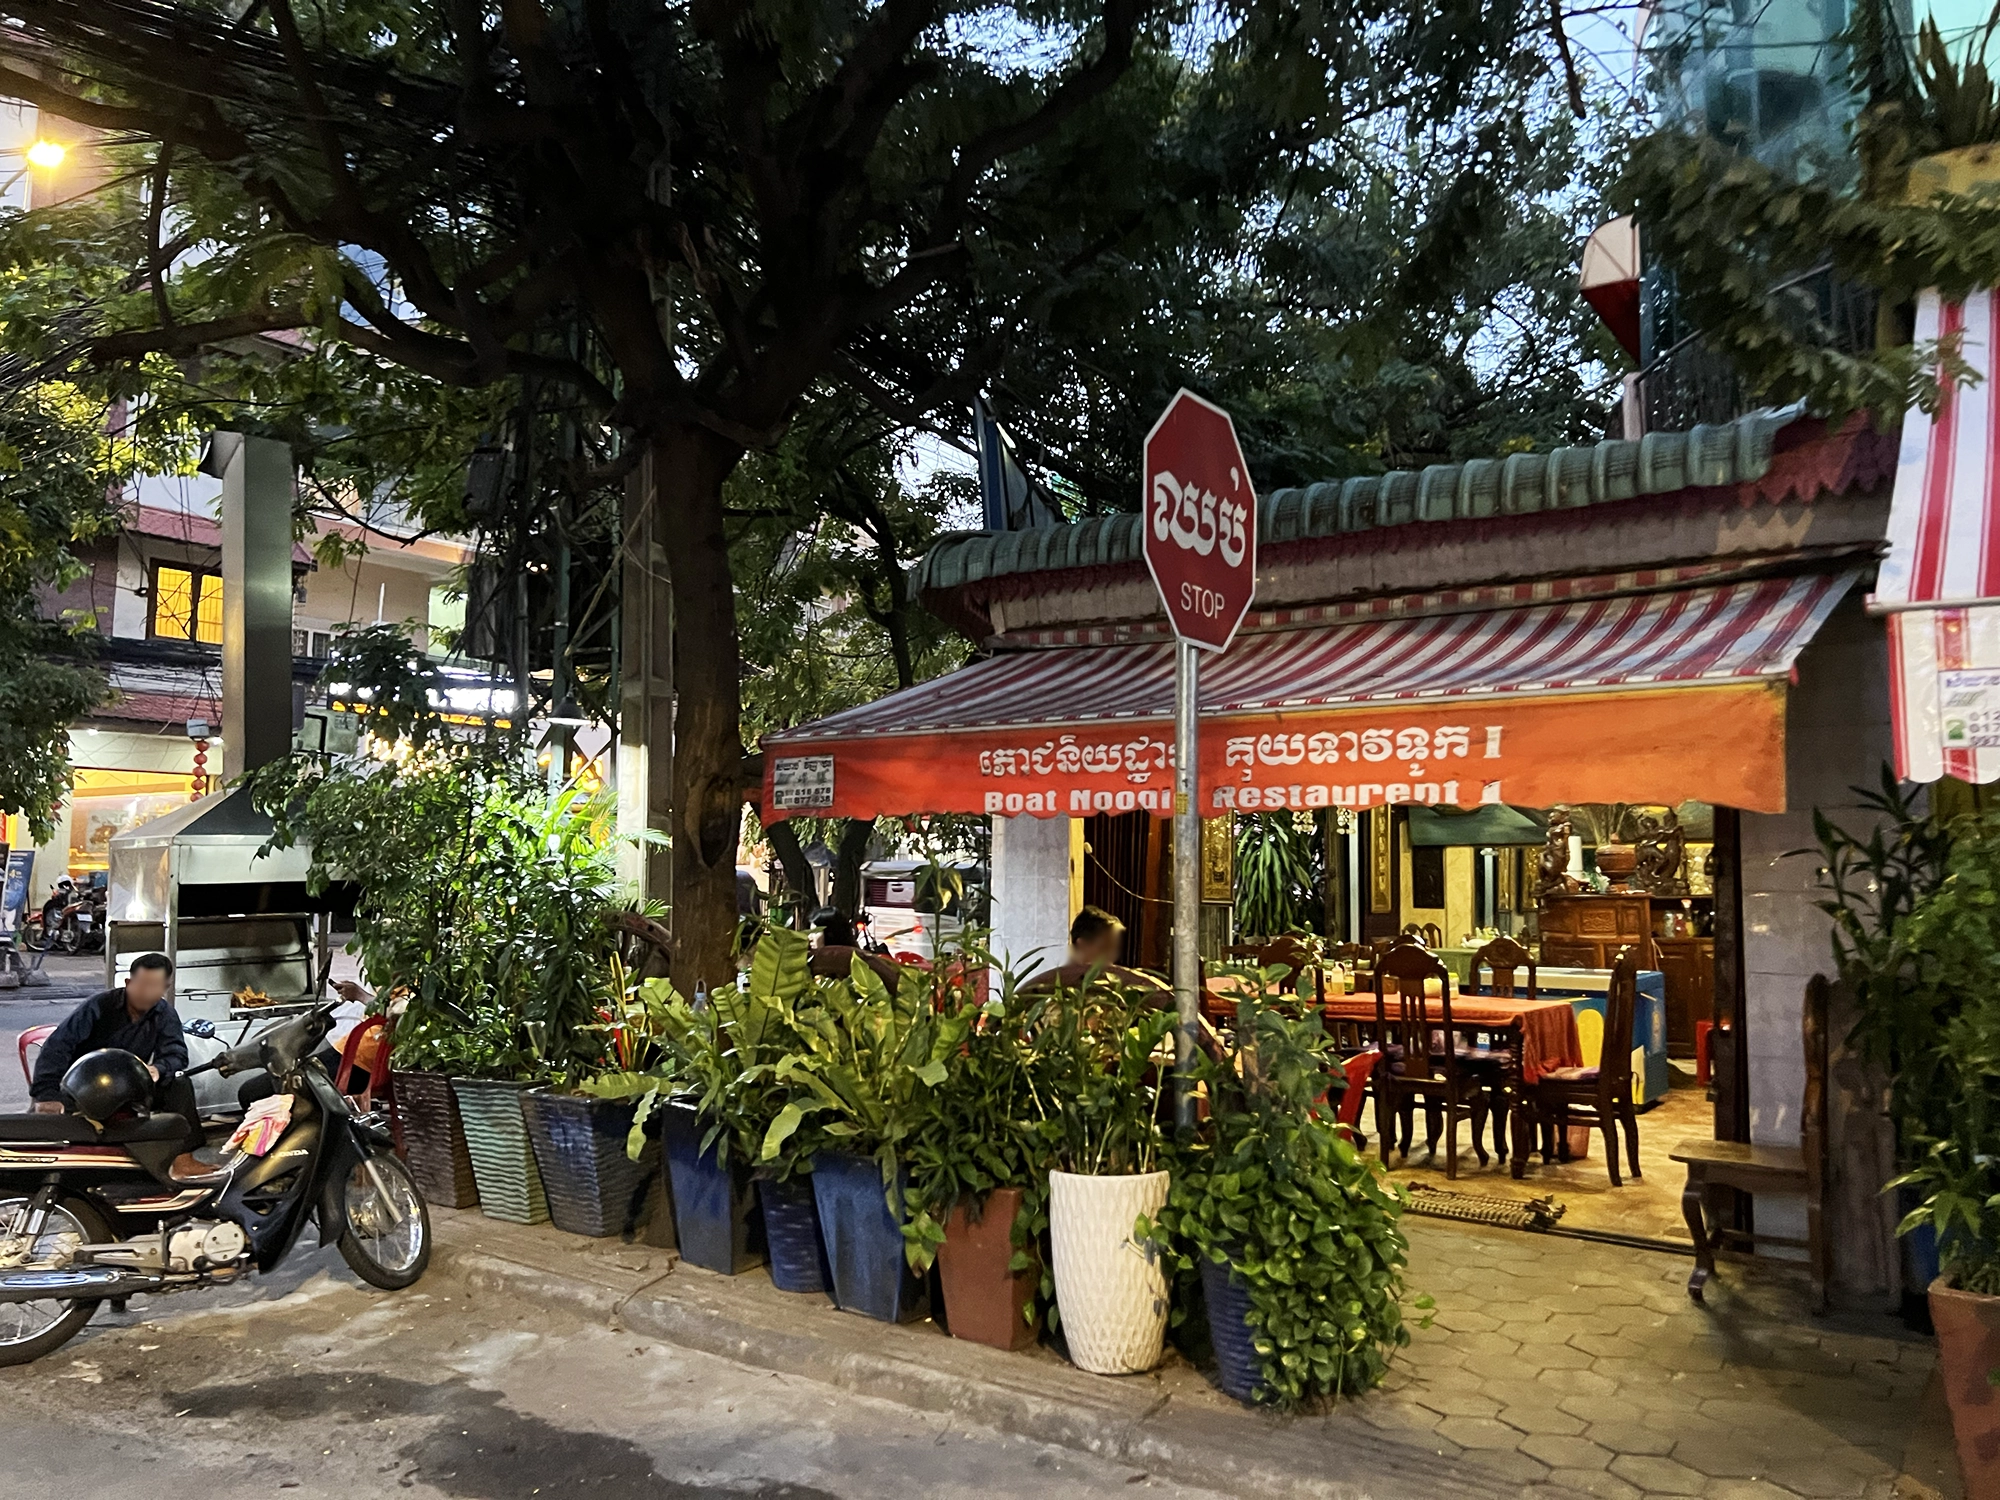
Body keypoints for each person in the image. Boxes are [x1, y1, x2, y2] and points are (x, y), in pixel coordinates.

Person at [29, 952, 212, 1182]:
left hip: (129, 1087)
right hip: (84, 1086)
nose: (148, 993)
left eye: (155, 987)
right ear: (128, 983)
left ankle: (182, 1159)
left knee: (179, 1083)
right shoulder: (99, 1006)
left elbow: (177, 1055)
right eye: (142, 985)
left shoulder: (164, 1014)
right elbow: (57, 1047)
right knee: (45, 1125)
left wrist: (159, 1068)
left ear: (165, 987)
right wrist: (46, 1094)